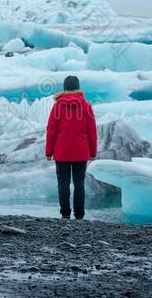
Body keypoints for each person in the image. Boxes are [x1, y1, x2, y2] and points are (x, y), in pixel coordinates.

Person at [45, 76, 97, 220]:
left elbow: (51, 130)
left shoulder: (57, 106)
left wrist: (49, 151)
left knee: (63, 184)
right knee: (79, 184)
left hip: (62, 153)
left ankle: (65, 214)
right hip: (81, 152)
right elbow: (91, 132)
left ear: (64, 88)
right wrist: (92, 151)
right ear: (78, 87)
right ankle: (79, 215)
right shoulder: (86, 106)